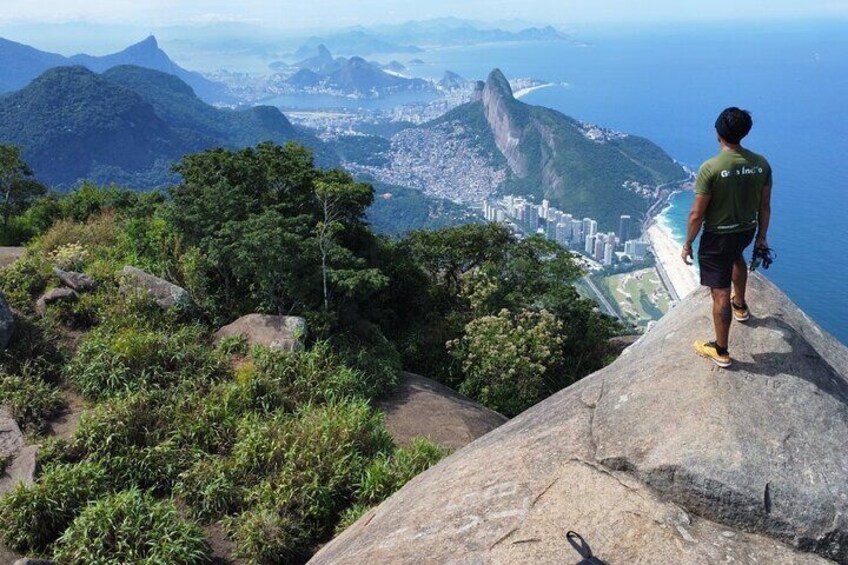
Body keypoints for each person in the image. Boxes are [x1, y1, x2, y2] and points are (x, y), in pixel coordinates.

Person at [681, 107, 772, 368]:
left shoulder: (711, 168)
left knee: (720, 292)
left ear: (718, 131)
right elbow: (764, 206)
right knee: (737, 258)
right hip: (746, 230)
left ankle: (720, 350)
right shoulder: (761, 164)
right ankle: (741, 306)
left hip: (717, 237)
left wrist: (688, 243)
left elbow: (697, 214)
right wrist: (762, 237)